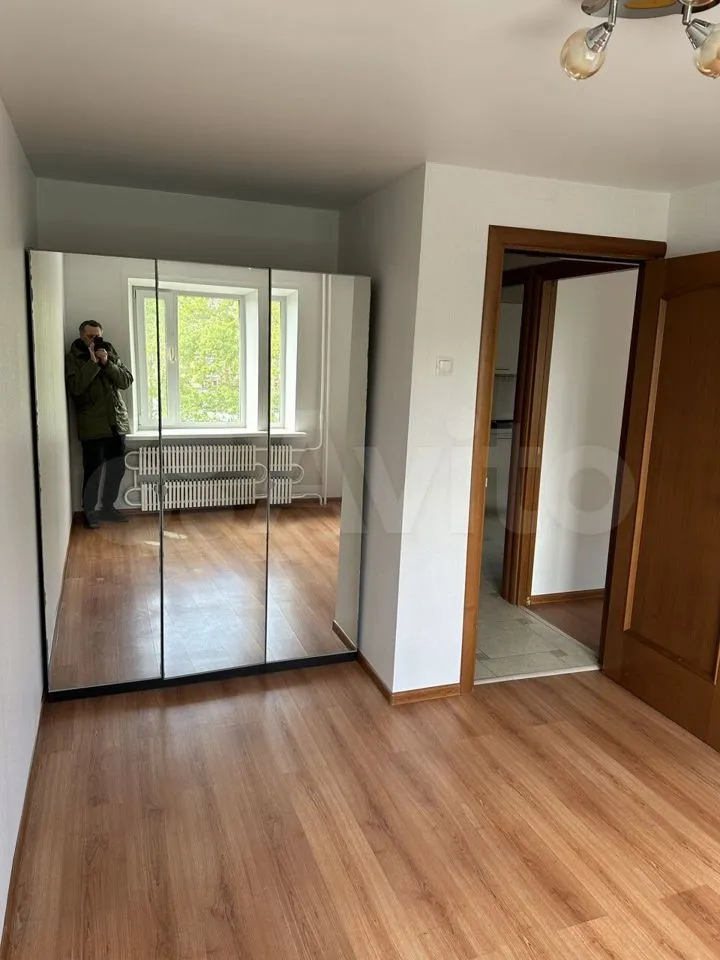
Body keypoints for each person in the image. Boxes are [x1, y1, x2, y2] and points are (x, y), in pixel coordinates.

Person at [66, 321, 134, 529]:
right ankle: (89, 510)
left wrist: (106, 363)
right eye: (90, 336)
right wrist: (93, 363)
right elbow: (75, 388)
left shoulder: (109, 352)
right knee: (93, 471)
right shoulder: (74, 357)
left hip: (116, 423)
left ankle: (108, 508)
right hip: (92, 426)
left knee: (117, 469)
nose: (94, 340)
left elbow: (126, 381)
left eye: (98, 336)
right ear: (81, 335)